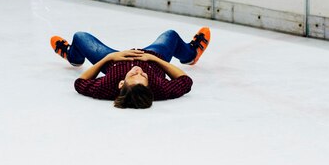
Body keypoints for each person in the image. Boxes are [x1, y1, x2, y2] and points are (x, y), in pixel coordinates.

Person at [49, 27, 210, 109]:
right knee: (171, 35)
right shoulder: (159, 89)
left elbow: (80, 82)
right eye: (144, 76)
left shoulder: (106, 87)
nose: (138, 71)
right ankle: (191, 55)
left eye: (133, 75)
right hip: (152, 56)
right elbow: (185, 80)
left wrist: (109, 58)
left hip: (114, 60)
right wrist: (154, 59)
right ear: (150, 86)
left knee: (80, 37)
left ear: (120, 84)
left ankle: (73, 56)